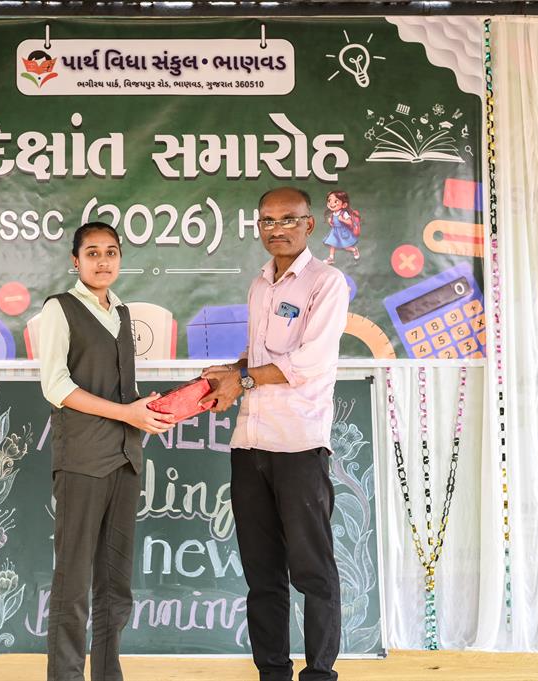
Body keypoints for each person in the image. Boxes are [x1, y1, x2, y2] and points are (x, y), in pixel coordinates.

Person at [200, 187, 349, 681]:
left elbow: (309, 362)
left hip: (299, 444)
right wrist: (231, 372)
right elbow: (259, 357)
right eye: (267, 220)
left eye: (288, 219)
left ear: (309, 225)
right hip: (250, 444)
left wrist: (242, 379)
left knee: (312, 571)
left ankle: (320, 673)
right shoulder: (260, 283)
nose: (276, 229)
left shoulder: (326, 282)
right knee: (262, 575)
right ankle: (272, 672)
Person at [38, 222, 175, 681]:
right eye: (92, 252)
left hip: (125, 459)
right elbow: (56, 387)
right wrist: (125, 413)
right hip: (82, 460)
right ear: (75, 261)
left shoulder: (122, 312)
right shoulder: (59, 309)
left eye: (111, 252)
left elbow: (121, 389)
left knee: (116, 585)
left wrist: (146, 410)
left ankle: (107, 675)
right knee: (73, 582)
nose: (102, 261)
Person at [322, 190, 360, 264]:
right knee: (332, 244)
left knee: (345, 246)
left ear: (344, 205)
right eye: (329, 200)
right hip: (335, 232)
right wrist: (330, 222)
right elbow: (334, 224)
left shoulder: (344, 213)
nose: (331, 203)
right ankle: (331, 258)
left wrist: (342, 219)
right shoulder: (333, 214)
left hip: (343, 232)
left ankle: (354, 250)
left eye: (336, 201)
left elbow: (350, 222)